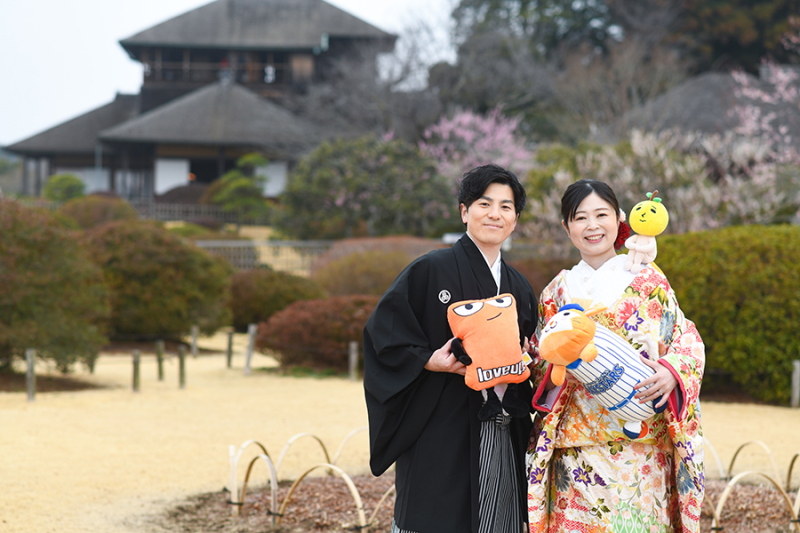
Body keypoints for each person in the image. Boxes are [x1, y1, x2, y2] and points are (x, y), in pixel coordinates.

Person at [363, 164, 538, 533]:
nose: (495, 214)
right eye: (484, 203)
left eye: (506, 207)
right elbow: (383, 336)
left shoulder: (520, 287)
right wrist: (429, 361)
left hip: (498, 427)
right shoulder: (429, 270)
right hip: (438, 423)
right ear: (464, 211)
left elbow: (529, 360)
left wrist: (528, 359)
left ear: (515, 219)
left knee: (497, 519)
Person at [525, 179, 705, 532]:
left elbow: (686, 338)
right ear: (567, 227)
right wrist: (554, 366)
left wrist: (671, 372)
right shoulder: (555, 291)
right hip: (574, 449)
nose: (592, 226)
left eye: (601, 215)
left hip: (639, 447)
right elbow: (538, 359)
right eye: (580, 218)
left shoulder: (648, 280)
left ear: (620, 219)